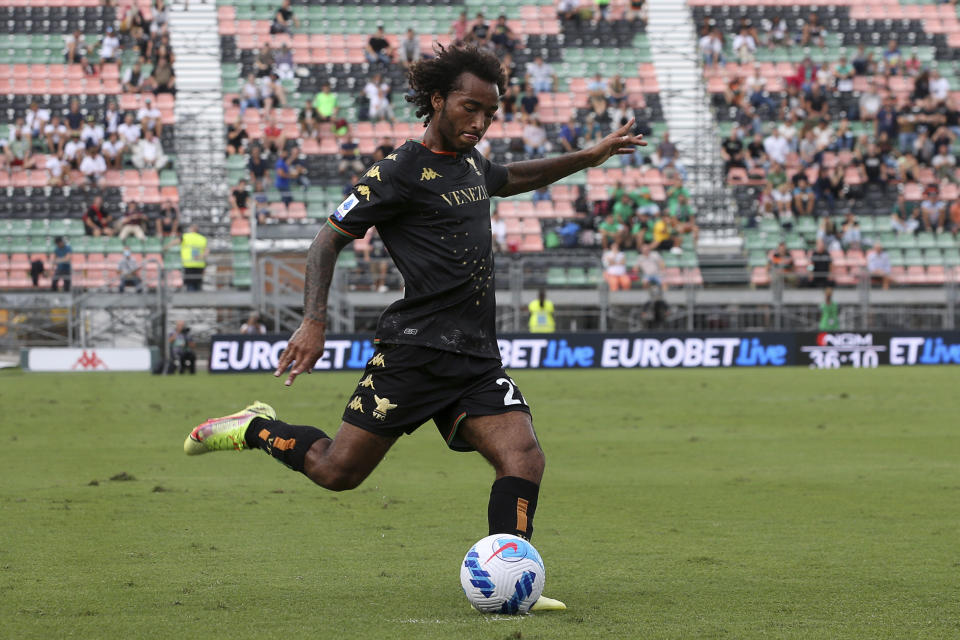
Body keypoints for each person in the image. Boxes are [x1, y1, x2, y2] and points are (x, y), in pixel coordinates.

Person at [182, 44, 645, 614]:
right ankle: (254, 427)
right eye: (470, 108)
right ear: (437, 101)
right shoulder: (399, 170)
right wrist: (313, 320)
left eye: (490, 113)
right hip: (414, 355)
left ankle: (513, 579)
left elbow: (513, 176)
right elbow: (328, 238)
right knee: (337, 472)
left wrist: (588, 157)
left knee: (523, 457)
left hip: (474, 357)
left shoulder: (474, 164)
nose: (479, 122)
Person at [179, 224, 208, 291]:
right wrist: (200, 256)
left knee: (190, 285)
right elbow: (206, 251)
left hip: (188, 264)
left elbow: (176, 241)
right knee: (198, 284)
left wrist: (166, 246)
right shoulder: (202, 238)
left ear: (191, 229)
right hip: (199, 264)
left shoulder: (185, 236)